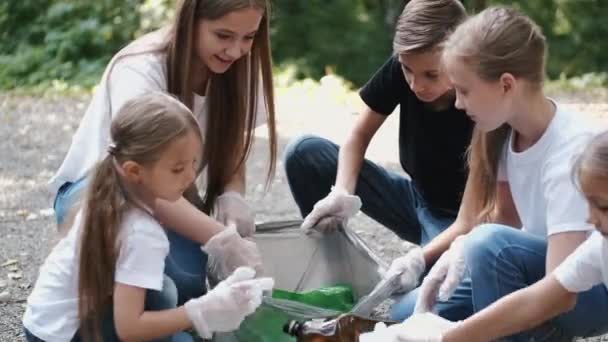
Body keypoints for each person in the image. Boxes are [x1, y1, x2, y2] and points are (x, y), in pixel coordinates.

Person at [387, 6, 608, 341]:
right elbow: (504, 217)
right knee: (406, 315)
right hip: (538, 272)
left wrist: (465, 332)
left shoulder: (571, 150)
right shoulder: (503, 132)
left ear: (506, 84)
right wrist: (456, 253)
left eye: (465, 90)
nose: (458, 104)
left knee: (490, 246)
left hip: (583, 291)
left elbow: (561, 290)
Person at [49, 0, 277, 304]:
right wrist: (221, 238)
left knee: (189, 285)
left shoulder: (238, 68)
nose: (236, 51)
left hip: (168, 196)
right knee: (165, 290)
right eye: (223, 36)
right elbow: (139, 182)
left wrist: (232, 194)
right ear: (191, 20)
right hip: (98, 193)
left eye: (248, 38)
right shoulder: (140, 70)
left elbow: (232, 137)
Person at [23, 93, 274, 342]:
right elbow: (130, 329)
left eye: (194, 163)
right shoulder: (141, 231)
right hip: (62, 335)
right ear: (134, 170)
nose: (190, 177)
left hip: (41, 326)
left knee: (162, 291)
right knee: (172, 311)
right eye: (177, 168)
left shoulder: (106, 196)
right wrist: (204, 310)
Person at [284, 0, 472, 282]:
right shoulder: (404, 66)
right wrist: (342, 192)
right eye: (408, 70)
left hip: (461, 220)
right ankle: (334, 271)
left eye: (431, 75)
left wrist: (419, 259)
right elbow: (359, 135)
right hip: (416, 200)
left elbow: (484, 210)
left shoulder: (482, 95)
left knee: (423, 303)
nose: (416, 85)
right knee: (303, 152)